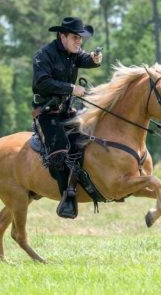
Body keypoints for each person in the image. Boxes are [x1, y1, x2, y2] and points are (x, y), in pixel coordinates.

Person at [31, 17, 102, 219]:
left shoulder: (73, 52)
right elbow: (42, 83)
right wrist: (72, 88)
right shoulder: (43, 55)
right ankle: (67, 198)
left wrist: (95, 59)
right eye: (74, 37)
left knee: (88, 140)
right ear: (62, 36)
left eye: (80, 38)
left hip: (67, 111)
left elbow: (85, 59)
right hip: (46, 114)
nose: (78, 41)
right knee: (60, 151)